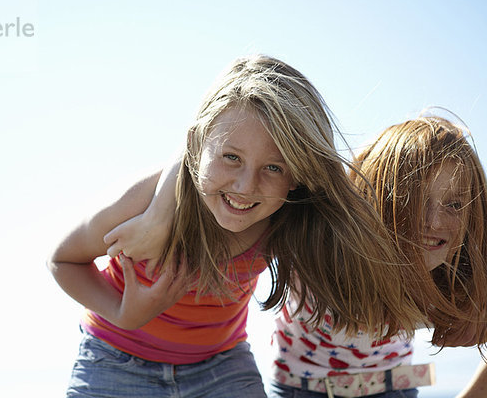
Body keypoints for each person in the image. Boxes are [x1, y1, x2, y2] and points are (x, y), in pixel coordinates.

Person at [48, 55, 426, 398]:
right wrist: (121, 313)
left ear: (298, 176)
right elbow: (62, 260)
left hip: (221, 365)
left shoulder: (284, 218)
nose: (246, 187)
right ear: (197, 145)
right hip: (115, 358)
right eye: (231, 157)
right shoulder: (141, 202)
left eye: (273, 168)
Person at [105, 114, 487, 397]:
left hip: (393, 387)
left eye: (455, 204)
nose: (435, 221)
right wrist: (157, 212)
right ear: (375, 200)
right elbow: (203, 138)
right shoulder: (324, 234)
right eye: (416, 201)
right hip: (300, 387)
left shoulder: (462, 272)